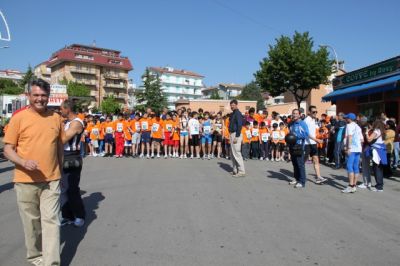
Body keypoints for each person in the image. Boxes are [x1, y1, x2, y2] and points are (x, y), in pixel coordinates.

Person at [3, 78, 63, 266]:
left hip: (51, 180)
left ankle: (51, 262)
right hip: (25, 180)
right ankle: (36, 256)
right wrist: (22, 161)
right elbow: (8, 149)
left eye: (43, 95)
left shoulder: (56, 118)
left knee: (51, 221)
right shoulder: (18, 118)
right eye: (36, 95)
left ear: (48, 97)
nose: (40, 99)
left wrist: (59, 172)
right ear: (28, 95)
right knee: (32, 224)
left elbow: (59, 147)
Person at [59, 100, 86, 227]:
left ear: (67, 109)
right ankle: (67, 216)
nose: (60, 111)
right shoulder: (67, 122)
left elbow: (63, 139)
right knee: (63, 189)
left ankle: (80, 216)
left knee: (72, 189)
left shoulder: (76, 123)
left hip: (72, 157)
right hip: (63, 156)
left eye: (61, 109)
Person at [304, 106, 327, 184]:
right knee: (302, 162)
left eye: (316, 112)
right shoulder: (306, 120)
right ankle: (297, 176)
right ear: (309, 112)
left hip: (313, 143)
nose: (315, 113)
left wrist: (319, 136)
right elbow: (306, 133)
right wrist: (316, 140)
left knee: (316, 160)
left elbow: (315, 131)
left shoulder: (314, 120)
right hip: (307, 144)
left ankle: (318, 177)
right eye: (313, 112)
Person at [342, 113, 363, 193]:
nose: (346, 119)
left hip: (352, 148)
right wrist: (359, 147)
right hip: (358, 148)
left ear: (350, 119)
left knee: (349, 166)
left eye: (347, 118)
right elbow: (362, 140)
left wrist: (348, 148)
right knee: (355, 166)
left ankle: (350, 186)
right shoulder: (358, 126)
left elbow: (349, 137)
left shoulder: (349, 125)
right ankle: (354, 185)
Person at [288, 109, 309, 188]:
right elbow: (289, 134)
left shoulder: (302, 123)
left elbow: (306, 134)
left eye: (296, 113)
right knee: (295, 164)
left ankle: (302, 181)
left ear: (299, 115)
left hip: (299, 146)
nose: (295, 115)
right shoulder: (291, 124)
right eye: (293, 113)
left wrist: (296, 137)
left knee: (300, 164)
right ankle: (296, 179)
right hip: (292, 146)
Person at [366, 119, 387, 192]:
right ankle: (379, 185)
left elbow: (369, 139)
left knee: (376, 168)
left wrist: (366, 133)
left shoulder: (376, 131)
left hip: (376, 151)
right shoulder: (383, 131)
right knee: (380, 168)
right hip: (382, 150)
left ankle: (379, 186)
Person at [228, 99, 246, 177]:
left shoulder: (238, 113)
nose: (232, 106)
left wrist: (237, 136)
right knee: (232, 153)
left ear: (236, 105)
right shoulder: (233, 113)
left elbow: (239, 125)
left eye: (233, 105)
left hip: (236, 134)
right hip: (232, 134)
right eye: (231, 105)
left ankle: (241, 171)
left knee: (237, 153)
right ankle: (235, 170)